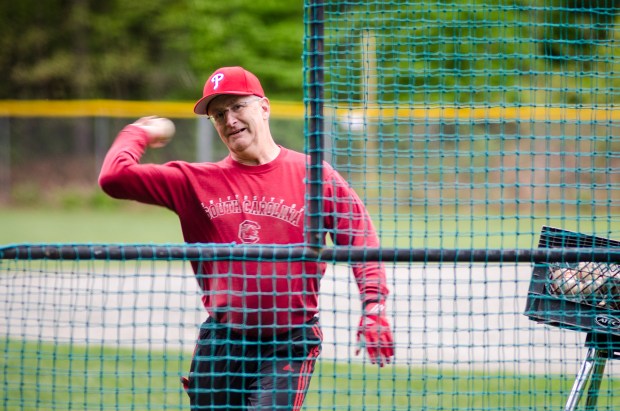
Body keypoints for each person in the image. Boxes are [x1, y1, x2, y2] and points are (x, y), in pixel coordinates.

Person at [99, 66, 394, 410]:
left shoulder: (314, 176)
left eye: (238, 107)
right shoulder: (194, 182)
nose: (229, 120)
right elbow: (114, 178)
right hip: (222, 342)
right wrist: (138, 132)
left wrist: (373, 306)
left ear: (263, 107)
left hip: (289, 343)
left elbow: (360, 239)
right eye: (218, 114)